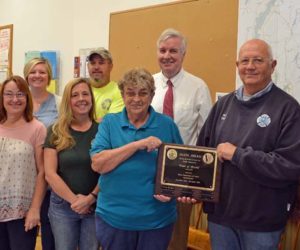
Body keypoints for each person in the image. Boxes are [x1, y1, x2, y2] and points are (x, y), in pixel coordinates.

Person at [196, 39, 300, 250]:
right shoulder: (223, 104)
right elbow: (203, 153)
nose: (250, 66)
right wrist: (191, 190)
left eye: (258, 60)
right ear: (237, 66)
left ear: (273, 65)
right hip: (220, 217)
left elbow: (289, 166)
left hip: (261, 222)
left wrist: (237, 155)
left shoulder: (288, 109)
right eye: (244, 61)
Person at [90, 68, 183, 250]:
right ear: (122, 95)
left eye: (143, 93)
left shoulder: (167, 125)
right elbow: (98, 164)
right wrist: (136, 145)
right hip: (114, 218)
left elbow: (180, 169)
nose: (136, 99)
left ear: (152, 95)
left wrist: (172, 191)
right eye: (130, 93)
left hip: (156, 220)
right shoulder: (110, 123)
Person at [151, 28, 212, 250]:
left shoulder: (198, 87)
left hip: (182, 174)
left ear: (183, 54)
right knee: (148, 232)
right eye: (163, 50)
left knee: (176, 238)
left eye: (173, 51)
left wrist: (199, 183)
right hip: (147, 170)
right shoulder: (147, 84)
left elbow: (207, 135)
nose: (167, 55)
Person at [43, 78, 99, 250]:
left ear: (91, 98)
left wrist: (90, 198)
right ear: (68, 101)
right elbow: (50, 174)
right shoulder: (55, 131)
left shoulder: (103, 130)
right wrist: (76, 201)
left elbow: (109, 171)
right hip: (62, 208)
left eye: (85, 94)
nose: (81, 98)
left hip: (95, 205)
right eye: (75, 95)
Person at [0, 75, 47, 250]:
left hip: (22, 213)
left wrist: (35, 209)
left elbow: (43, 172)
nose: (14, 99)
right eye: (9, 94)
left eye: (20, 94)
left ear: (27, 97)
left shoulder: (37, 128)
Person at [24, 57, 60, 250]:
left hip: (50, 180)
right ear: (26, 75)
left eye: (42, 72)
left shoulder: (60, 103)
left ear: (49, 77)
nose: (37, 75)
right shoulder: (17, 101)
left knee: (49, 231)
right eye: (33, 72)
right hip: (22, 179)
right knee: (21, 233)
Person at [87, 47, 124, 120]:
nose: (96, 67)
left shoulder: (119, 91)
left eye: (101, 63)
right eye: (93, 63)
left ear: (111, 66)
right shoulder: (80, 91)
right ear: (88, 66)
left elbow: (111, 123)